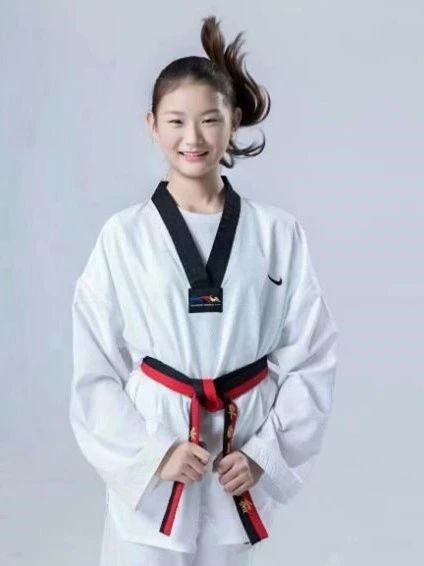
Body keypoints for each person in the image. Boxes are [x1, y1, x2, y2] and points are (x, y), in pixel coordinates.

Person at [69, 14, 339, 566]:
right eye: (176, 121)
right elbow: (94, 370)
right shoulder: (124, 235)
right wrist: (152, 454)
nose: (192, 139)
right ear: (152, 125)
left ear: (233, 121)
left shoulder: (277, 232)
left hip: (234, 456)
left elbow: (312, 357)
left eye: (209, 120)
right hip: (160, 452)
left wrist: (264, 453)